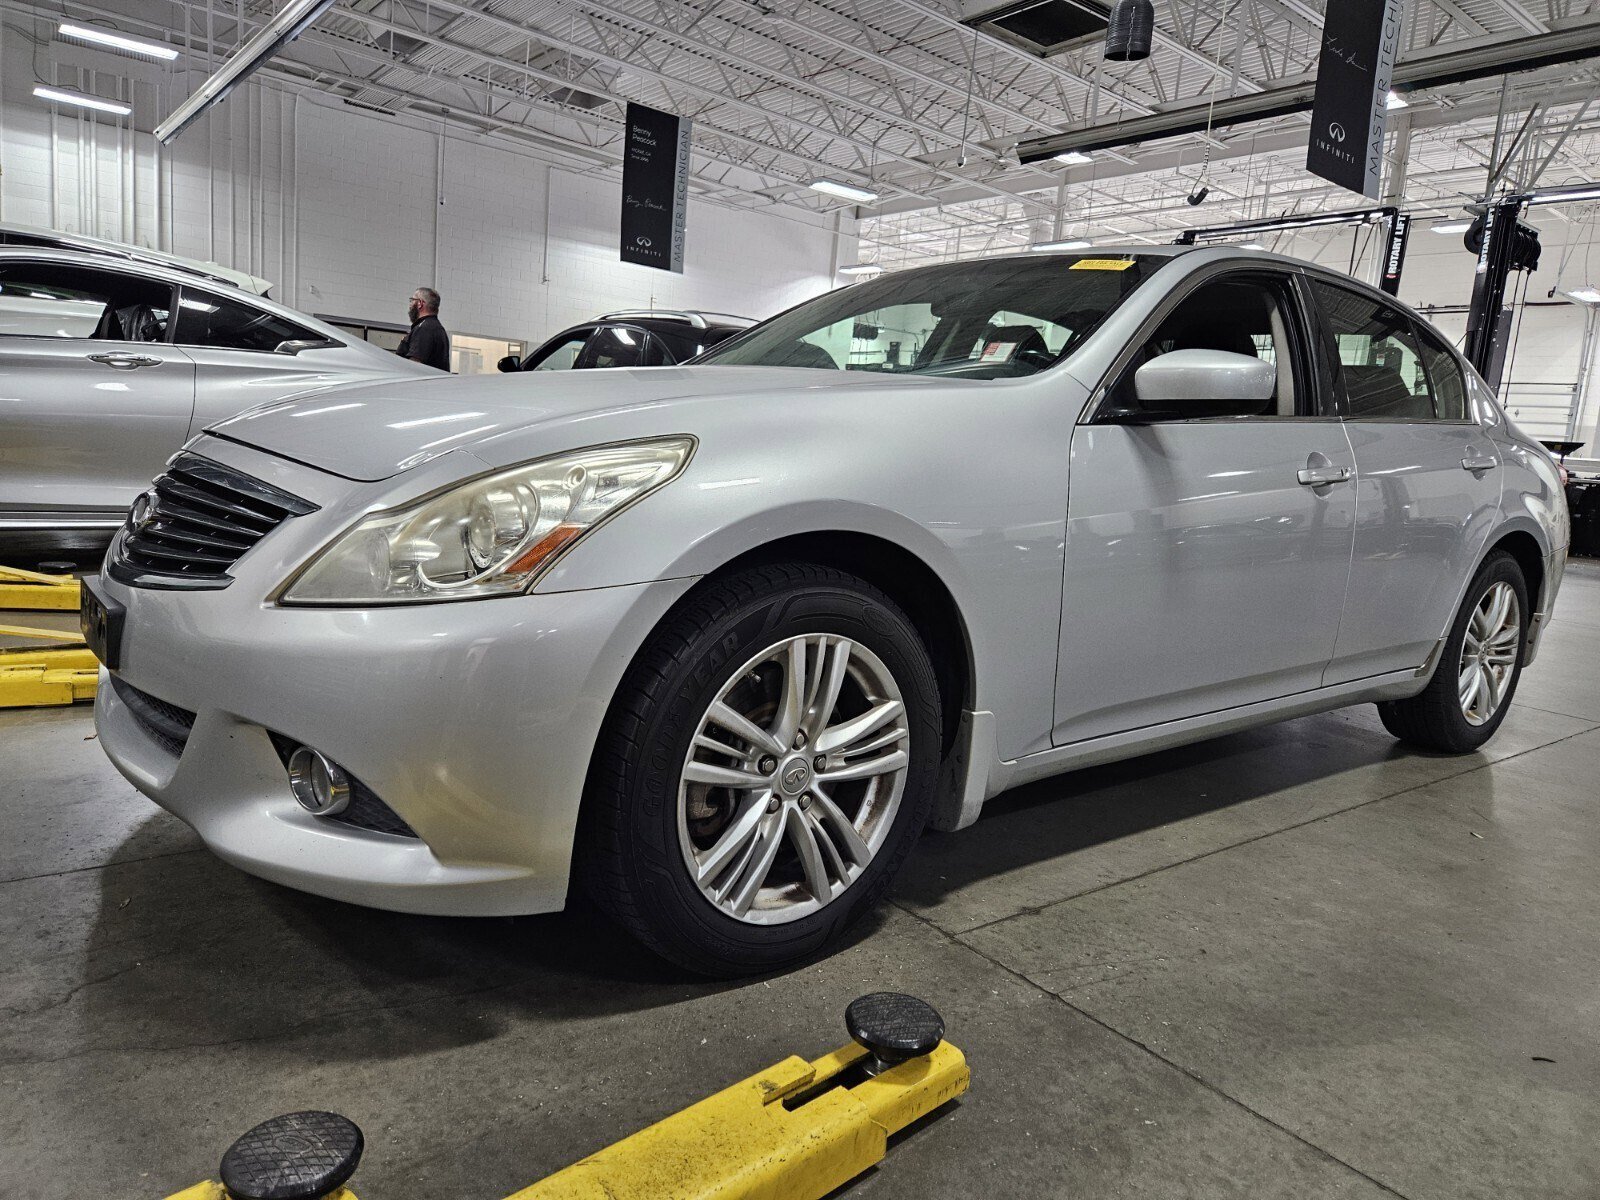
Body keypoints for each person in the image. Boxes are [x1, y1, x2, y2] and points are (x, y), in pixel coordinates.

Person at [397, 286, 450, 371]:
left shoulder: (425, 329)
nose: (410, 304)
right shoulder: (436, 328)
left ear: (420, 303)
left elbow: (414, 365)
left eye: (412, 300)